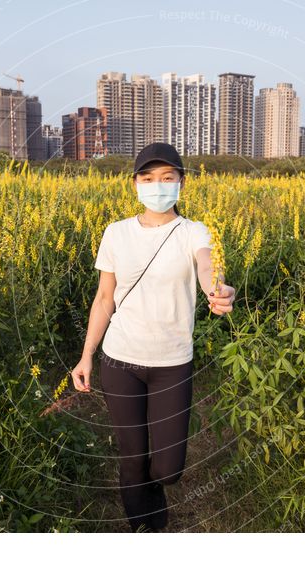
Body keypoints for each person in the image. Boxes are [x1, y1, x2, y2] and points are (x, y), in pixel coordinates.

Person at [70, 142, 235, 532]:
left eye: (166, 178)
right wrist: (87, 354)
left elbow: (208, 268)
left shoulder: (193, 232)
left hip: (172, 364)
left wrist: (218, 291)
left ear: (181, 183)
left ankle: (153, 492)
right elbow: (104, 299)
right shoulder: (116, 233)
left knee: (167, 468)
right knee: (132, 456)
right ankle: (148, 529)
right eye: (148, 178)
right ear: (134, 184)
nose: (156, 185)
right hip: (120, 360)